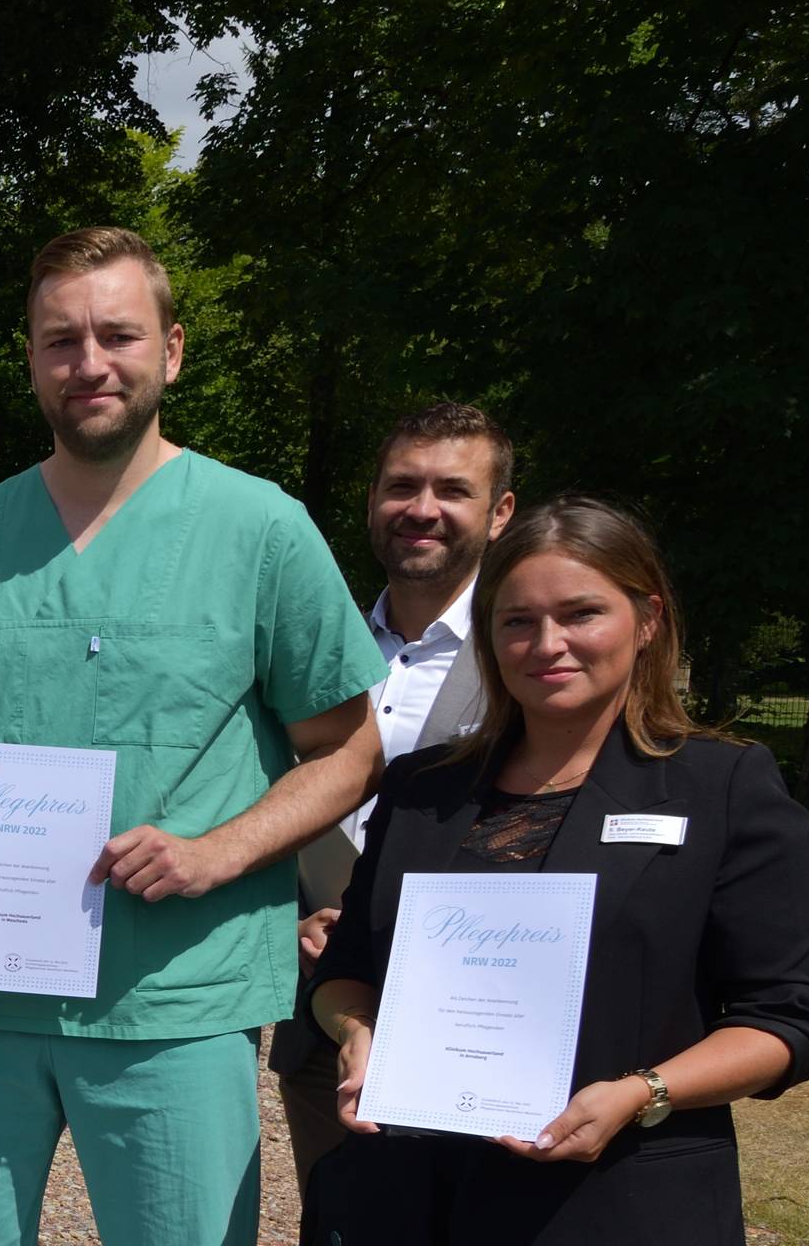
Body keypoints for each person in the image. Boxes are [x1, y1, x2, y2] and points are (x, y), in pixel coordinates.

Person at [0, 226, 386, 1245]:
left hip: (174, 997)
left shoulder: (260, 529)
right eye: (61, 339)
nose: (89, 363)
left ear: (173, 349)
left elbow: (349, 747)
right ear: (30, 358)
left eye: (118, 334)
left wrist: (215, 851)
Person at [308, 496, 809, 1244]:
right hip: (406, 1198)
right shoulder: (421, 790)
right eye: (517, 620)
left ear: (646, 620)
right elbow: (345, 971)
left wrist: (643, 1093)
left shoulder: (721, 788)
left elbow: (786, 1017)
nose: (547, 643)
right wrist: (359, 1034)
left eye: (581, 614)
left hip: (617, 1201)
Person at [274, 402, 518, 1186]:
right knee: (335, 1217)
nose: (422, 510)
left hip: (478, 1021)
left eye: (452, 489)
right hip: (319, 1013)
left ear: (501, 512)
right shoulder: (308, 646)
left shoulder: (529, 655)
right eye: (401, 486)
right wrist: (290, 925)